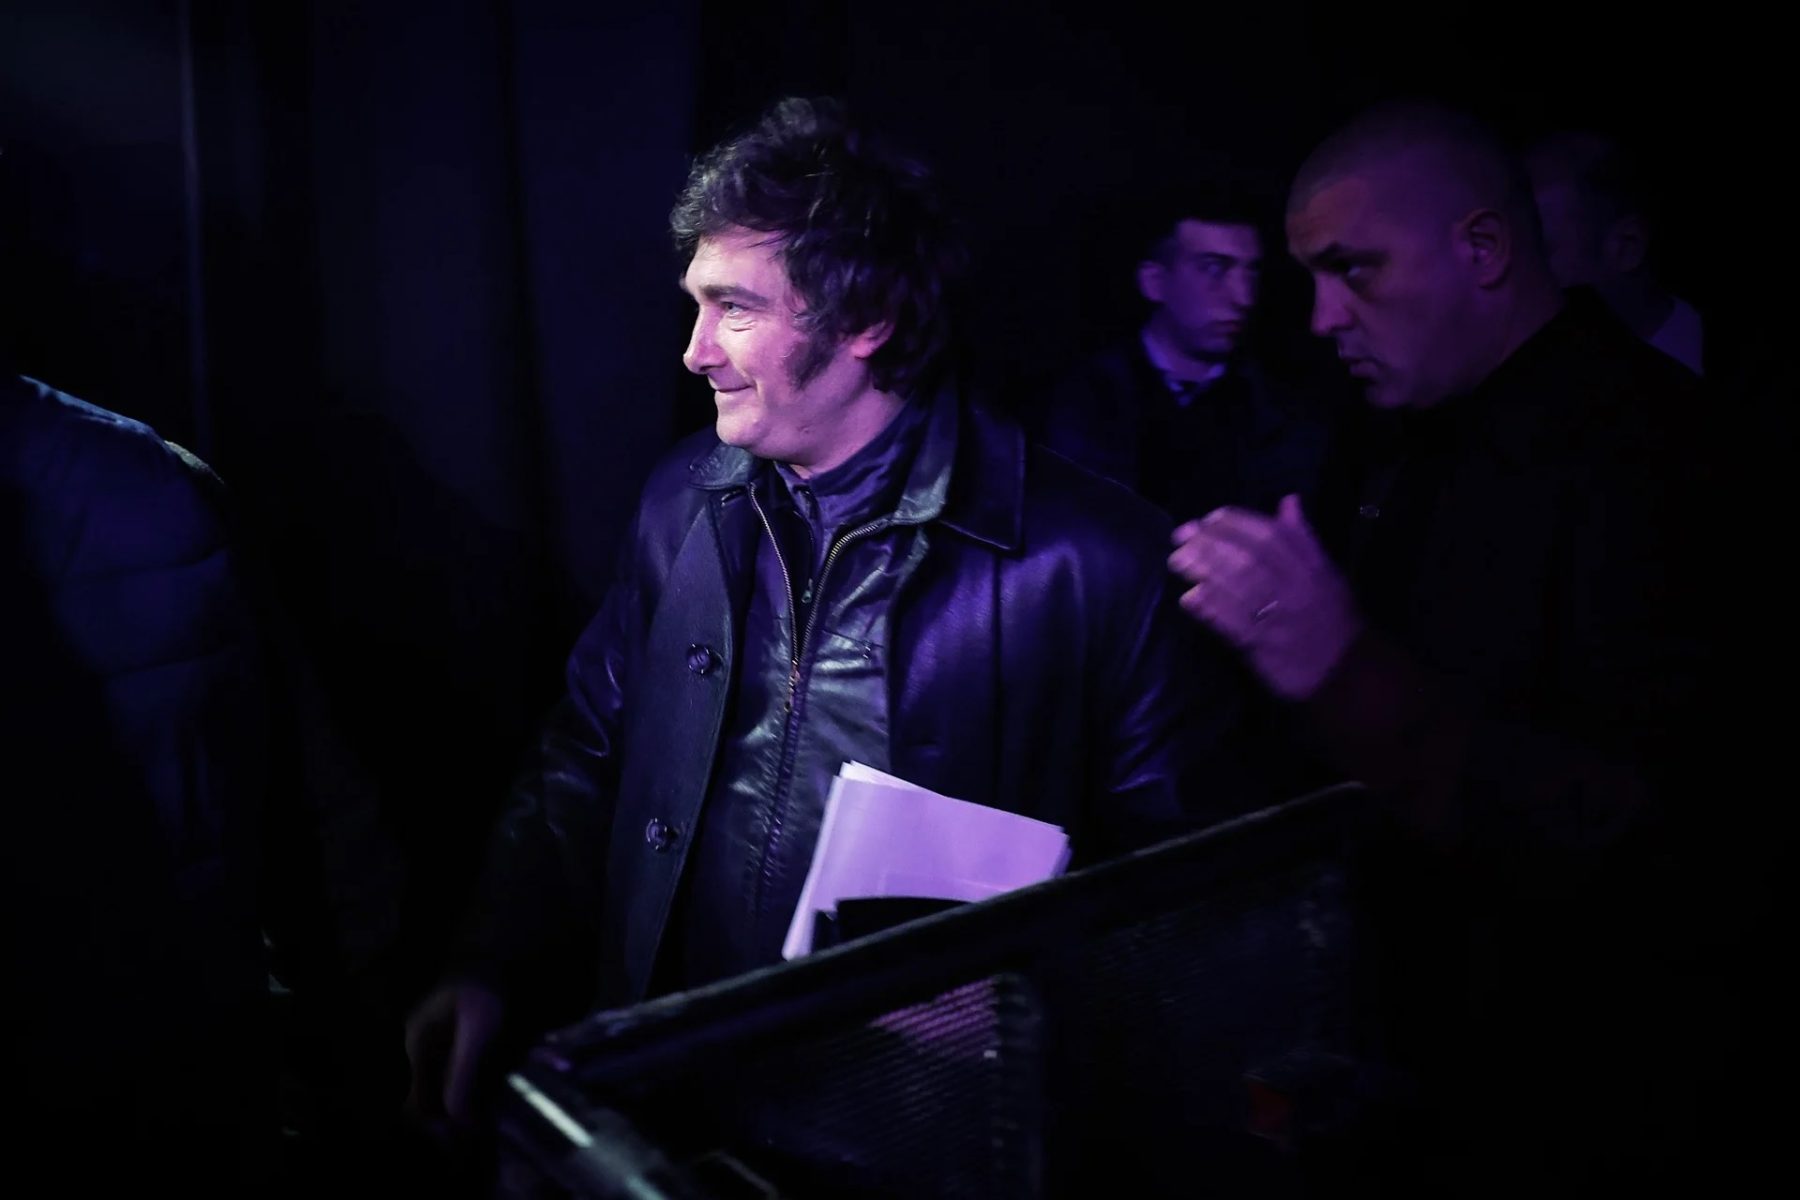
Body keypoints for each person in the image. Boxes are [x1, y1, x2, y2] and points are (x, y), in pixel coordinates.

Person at [406, 96, 1206, 1130]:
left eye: (735, 309)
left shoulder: (1096, 563)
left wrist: (1035, 998)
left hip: (918, 1138)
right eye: (698, 306)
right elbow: (585, 755)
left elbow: (1192, 896)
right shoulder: (682, 499)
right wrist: (490, 961)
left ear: (866, 319)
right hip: (676, 1100)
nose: (696, 351)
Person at [1168, 100, 1721, 1190]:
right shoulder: (1396, 436)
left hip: (1576, 1092)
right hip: (1399, 1056)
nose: (1321, 317)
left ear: (1482, 248)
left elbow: (1653, 840)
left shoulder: (1664, 459)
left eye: (1353, 269)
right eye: (1310, 278)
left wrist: (1341, 669)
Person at [1039, 187, 1332, 525]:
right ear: (1154, 282)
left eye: (1251, 272)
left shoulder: (1281, 413)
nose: (1244, 297)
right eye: (1214, 269)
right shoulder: (1084, 400)